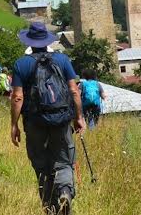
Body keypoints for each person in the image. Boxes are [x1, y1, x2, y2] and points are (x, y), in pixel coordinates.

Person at [10, 22, 85, 215]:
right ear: (47, 41)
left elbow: (18, 97)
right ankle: (65, 192)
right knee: (63, 161)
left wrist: (14, 125)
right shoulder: (62, 59)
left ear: (30, 42)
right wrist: (78, 117)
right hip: (61, 119)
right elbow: (74, 91)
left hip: (35, 122)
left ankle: (50, 208)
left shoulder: (21, 64)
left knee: (41, 164)